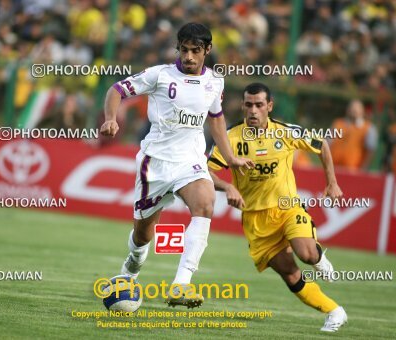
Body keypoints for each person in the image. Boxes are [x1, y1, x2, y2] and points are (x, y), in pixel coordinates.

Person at [100, 23, 253, 308]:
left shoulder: (215, 82)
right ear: (178, 49)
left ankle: (181, 286)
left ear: (207, 50)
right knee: (143, 235)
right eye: (184, 50)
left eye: (196, 51)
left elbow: (216, 118)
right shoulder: (159, 75)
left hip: (190, 161)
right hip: (155, 163)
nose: (189, 57)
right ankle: (130, 270)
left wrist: (230, 157)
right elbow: (116, 89)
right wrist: (111, 118)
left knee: (205, 203)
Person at [207, 83, 348, 332]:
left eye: (259, 105)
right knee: (290, 274)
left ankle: (317, 257)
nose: (253, 111)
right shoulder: (229, 138)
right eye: (248, 105)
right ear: (242, 106)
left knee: (305, 254)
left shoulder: (285, 132)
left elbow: (322, 145)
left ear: (269, 107)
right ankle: (335, 311)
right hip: (256, 220)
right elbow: (206, 171)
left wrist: (332, 183)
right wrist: (227, 187)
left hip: (288, 208)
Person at [329, 99, 378, 172]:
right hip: (333, 169)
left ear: (362, 111)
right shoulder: (338, 124)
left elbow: (370, 151)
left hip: (354, 171)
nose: (354, 110)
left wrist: (363, 169)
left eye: (357, 108)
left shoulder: (368, 128)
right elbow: (327, 144)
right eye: (352, 108)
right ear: (347, 110)